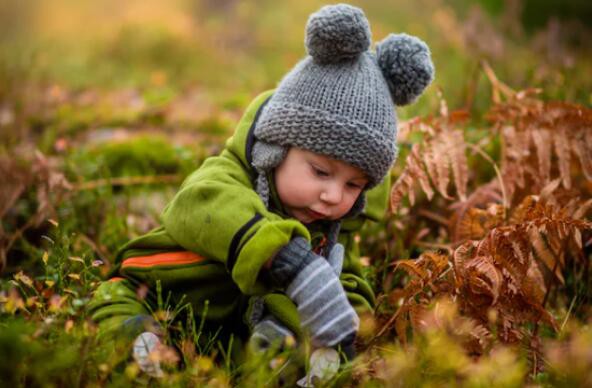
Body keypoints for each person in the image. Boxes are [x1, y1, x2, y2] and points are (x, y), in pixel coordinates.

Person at [87, 3, 434, 379]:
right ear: (276, 150)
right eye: (320, 172)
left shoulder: (329, 231)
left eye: (354, 184)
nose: (334, 195)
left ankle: (274, 354)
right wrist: (287, 258)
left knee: (299, 339)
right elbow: (200, 204)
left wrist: (342, 325)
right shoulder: (226, 178)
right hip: (153, 292)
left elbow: (347, 279)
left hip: (225, 337)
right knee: (118, 310)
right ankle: (139, 348)